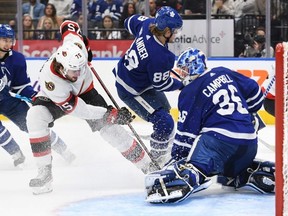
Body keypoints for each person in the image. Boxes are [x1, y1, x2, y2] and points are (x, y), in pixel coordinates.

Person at [27, 20, 158, 195]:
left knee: (110, 131)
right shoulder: (51, 81)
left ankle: (147, 166)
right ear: (62, 68)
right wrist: (109, 114)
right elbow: (82, 111)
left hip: (87, 92)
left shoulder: (74, 44)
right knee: (35, 117)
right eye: (75, 71)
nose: (80, 73)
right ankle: (44, 173)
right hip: (58, 98)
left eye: (81, 68)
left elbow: (68, 25)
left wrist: (86, 49)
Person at [144, 47, 275, 203]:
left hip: (219, 144)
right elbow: (255, 93)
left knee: (198, 153)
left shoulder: (190, 91)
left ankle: (190, 175)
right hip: (250, 145)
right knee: (225, 174)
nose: (182, 74)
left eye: (184, 69)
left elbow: (186, 135)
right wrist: (250, 114)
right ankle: (244, 171)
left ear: (195, 66)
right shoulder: (223, 71)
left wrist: (177, 162)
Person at [112, 6, 184, 167]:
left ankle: (165, 147)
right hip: (131, 91)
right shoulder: (162, 57)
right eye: (175, 31)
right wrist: (181, 85)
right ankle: (157, 159)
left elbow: (128, 21)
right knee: (165, 123)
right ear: (166, 31)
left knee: (165, 113)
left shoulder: (147, 24)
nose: (176, 34)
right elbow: (161, 83)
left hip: (138, 80)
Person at [0, 24, 74, 167]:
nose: (8, 43)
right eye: (4, 39)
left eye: (10, 40)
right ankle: (16, 155)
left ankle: (65, 152)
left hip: (9, 101)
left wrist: (36, 98)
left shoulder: (17, 59)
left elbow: (20, 86)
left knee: (35, 125)